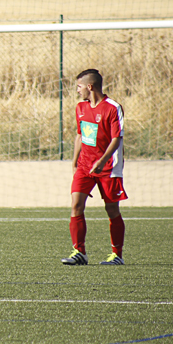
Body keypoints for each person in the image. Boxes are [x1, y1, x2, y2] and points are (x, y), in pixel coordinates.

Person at [62, 69, 126, 265]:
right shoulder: (80, 107)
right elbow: (80, 135)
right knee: (76, 205)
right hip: (85, 166)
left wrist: (102, 161)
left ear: (89, 86)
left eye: (79, 86)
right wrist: (74, 162)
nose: (77, 90)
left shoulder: (113, 108)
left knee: (111, 209)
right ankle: (79, 252)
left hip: (108, 167)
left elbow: (116, 139)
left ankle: (117, 255)